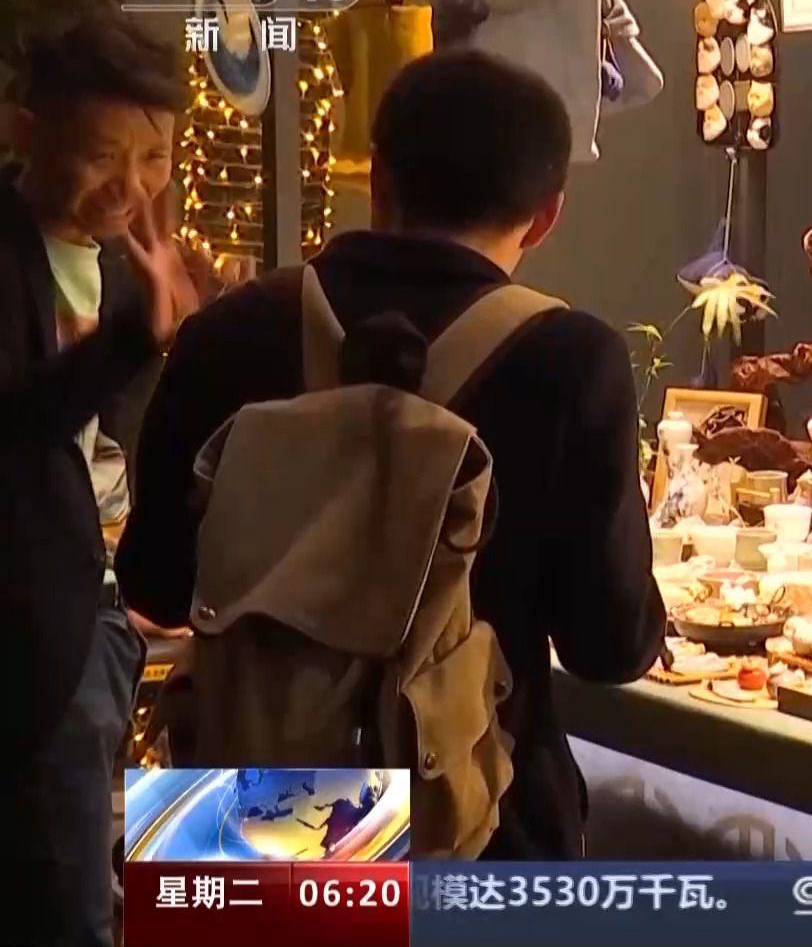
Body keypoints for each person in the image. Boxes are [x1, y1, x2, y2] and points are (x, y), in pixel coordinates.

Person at [118, 49, 665, 859]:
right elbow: (608, 647)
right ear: (545, 215)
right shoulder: (572, 359)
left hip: (249, 810)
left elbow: (155, 584)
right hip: (477, 812)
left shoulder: (227, 332)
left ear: (377, 178)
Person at [0, 12, 200, 947]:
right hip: (28, 634)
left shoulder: (126, 266)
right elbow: (16, 429)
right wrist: (131, 341)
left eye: (154, 157)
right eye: (102, 157)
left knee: (92, 884)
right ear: (26, 131)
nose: (132, 187)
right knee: (65, 905)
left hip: (99, 614)